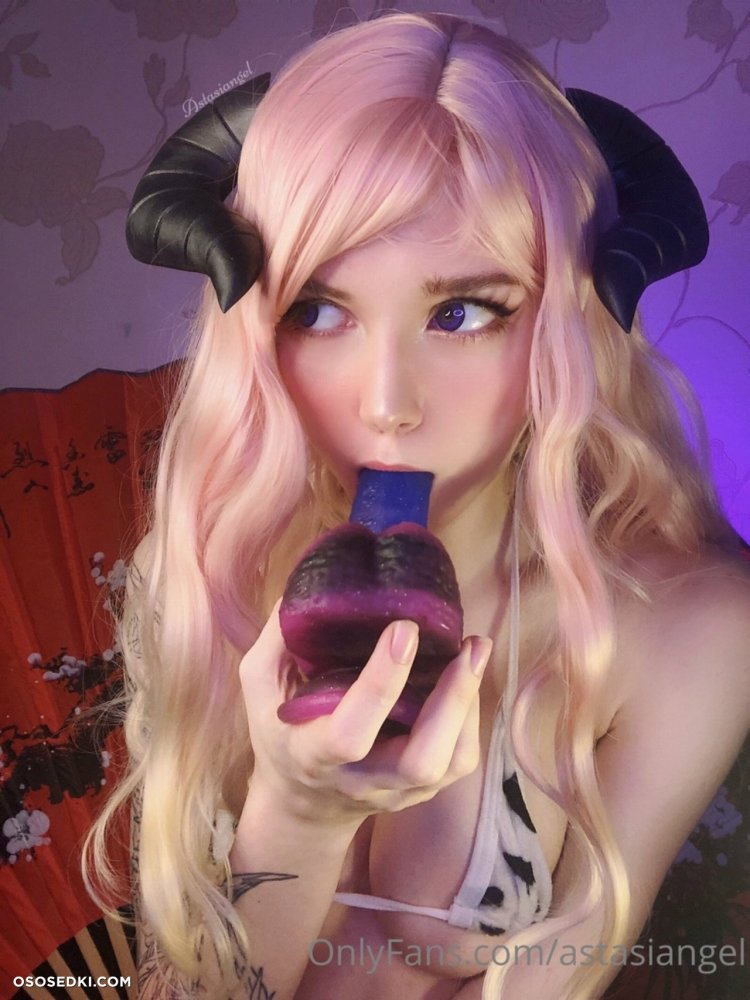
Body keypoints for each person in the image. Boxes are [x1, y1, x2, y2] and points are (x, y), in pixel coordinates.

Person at [84, 11, 750, 999]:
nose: (387, 402)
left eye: (462, 312)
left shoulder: (681, 624)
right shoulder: (204, 573)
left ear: (566, 322)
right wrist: (296, 814)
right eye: (318, 310)